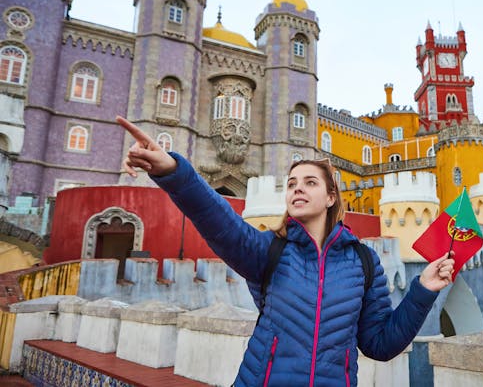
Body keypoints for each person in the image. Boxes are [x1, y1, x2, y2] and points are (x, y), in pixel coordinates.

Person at [117, 116, 455, 387]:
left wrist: (422, 291)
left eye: (310, 182)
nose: (297, 189)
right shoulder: (269, 251)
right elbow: (217, 219)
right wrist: (174, 172)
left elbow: (381, 344)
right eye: (292, 183)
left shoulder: (364, 263)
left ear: (331, 197)